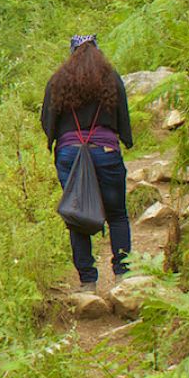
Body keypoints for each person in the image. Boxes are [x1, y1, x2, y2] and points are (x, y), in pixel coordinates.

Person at [40, 34, 133, 293]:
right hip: (105, 151)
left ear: (72, 53)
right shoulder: (110, 78)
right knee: (117, 215)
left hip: (70, 153)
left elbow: (47, 118)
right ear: (98, 52)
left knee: (77, 215)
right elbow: (123, 113)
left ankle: (87, 282)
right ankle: (123, 275)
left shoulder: (58, 80)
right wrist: (126, 140)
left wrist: (54, 143)